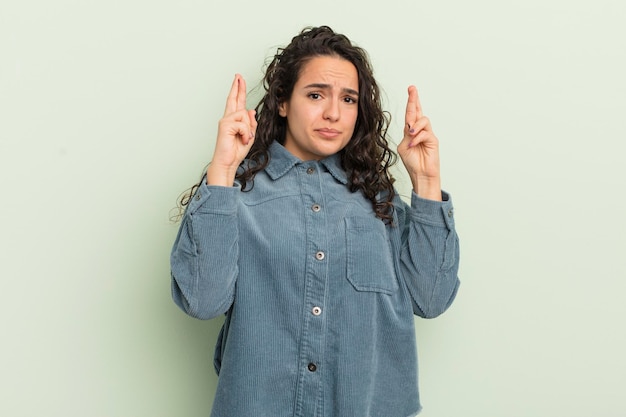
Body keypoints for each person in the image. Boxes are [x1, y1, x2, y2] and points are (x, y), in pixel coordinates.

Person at [170, 25, 460, 417]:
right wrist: (222, 170)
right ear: (283, 102)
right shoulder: (235, 198)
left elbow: (431, 299)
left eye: (349, 99)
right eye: (315, 94)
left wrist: (426, 182)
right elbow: (202, 301)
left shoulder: (381, 206)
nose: (334, 113)